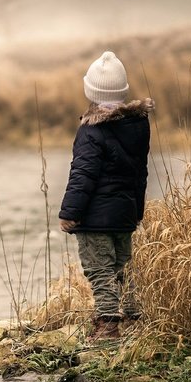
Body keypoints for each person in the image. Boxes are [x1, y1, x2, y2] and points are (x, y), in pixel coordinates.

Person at [58, 50, 152, 341]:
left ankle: (108, 327)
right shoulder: (137, 125)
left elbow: (82, 175)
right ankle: (135, 322)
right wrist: (136, 211)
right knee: (123, 268)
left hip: (95, 219)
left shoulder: (91, 129)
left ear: (91, 91)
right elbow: (140, 172)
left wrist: (69, 213)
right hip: (124, 214)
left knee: (100, 271)